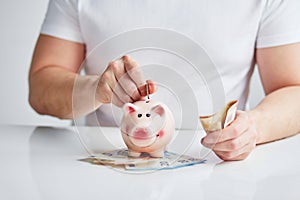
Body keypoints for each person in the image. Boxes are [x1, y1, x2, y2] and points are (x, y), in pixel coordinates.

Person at [29, 0, 300, 161]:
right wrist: (96, 89)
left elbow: (293, 90)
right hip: (103, 168)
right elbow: (41, 86)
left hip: (217, 170)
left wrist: (254, 127)